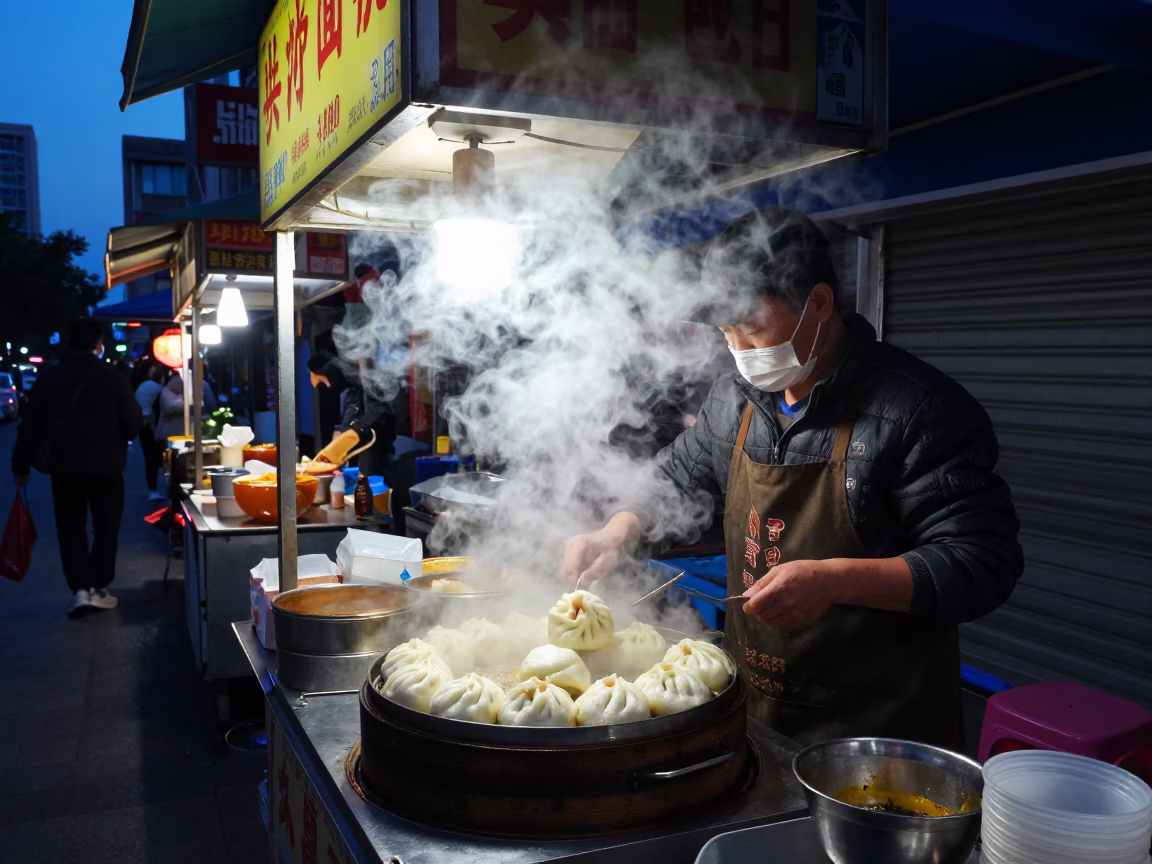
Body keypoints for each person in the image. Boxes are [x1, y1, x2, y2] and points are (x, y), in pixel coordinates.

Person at [560, 208, 1024, 748]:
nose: (739, 350)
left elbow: (982, 561)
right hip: (758, 710)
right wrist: (616, 531)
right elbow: (677, 477)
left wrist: (835, 581)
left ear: (819, 305)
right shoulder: (735, 403)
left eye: (753, 330)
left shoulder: (917, 410)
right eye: (727, 332)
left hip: (878, 730)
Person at [11, 319, 143, 616]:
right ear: (98, 344)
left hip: (64, 470)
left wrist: (20, 466)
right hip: (107, 469)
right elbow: (133, 425)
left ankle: (80, 590)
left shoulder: (48, 379)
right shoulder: (115, 379)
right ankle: (99, 587)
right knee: (106, 528)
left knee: (70, 529)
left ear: (69, 342)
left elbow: (29, 427)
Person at [306, 351, 396, 478]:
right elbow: (350, 415)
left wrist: (356, 431)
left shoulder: (369, 379)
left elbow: (379, 412)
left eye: (324, 381)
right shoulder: (350, 391)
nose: (328, 386)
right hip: (354, 460)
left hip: (374, 454)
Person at [133, 360, 166, 500]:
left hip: (141, 425)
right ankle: (158, 489)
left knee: (149, 459)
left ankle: (152, 489)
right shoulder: (159, 389)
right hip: (152, 426)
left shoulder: (143, 386)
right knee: (158, 458)